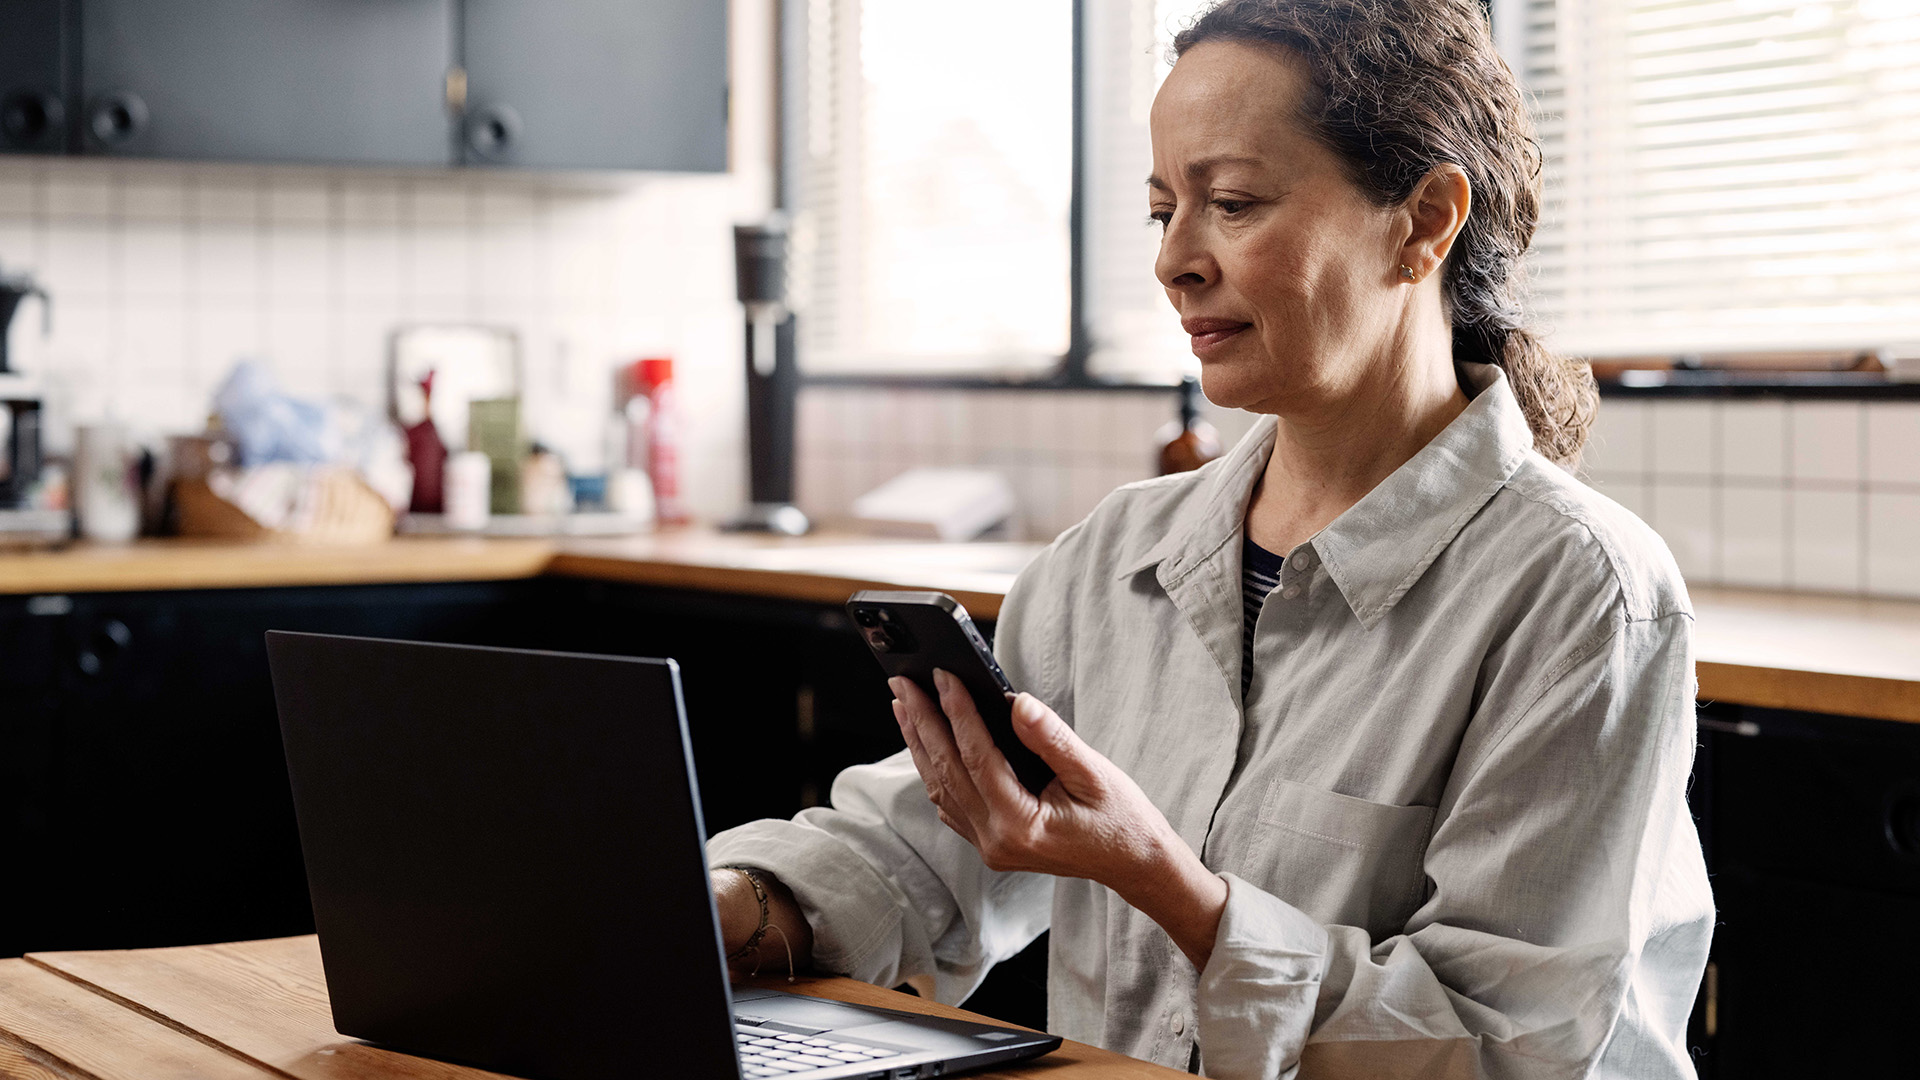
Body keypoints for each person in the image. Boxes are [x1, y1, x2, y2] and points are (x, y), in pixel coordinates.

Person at [706, 0, 1713, 1076]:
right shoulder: (1109, 562)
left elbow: (1506, 1047)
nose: (1174, 261)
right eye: (1161, 210)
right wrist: (711, 905)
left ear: (1423, 221)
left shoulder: (1582, 593)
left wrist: (1167, 884)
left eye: (1232, 203)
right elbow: (921, 855)